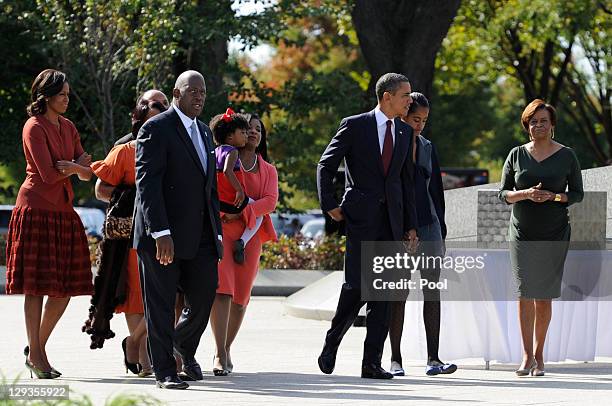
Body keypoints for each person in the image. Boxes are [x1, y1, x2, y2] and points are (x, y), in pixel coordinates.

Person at [316, 73, 418, 379]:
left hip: (392, 222)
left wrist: (410, 225)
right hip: (361, 219)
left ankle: (372, 362)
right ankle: (333, 339)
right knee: (357, 286)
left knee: (384, 292)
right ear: (387, 96)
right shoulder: (354, 125)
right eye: (405, 95)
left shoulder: (403, 131)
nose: (409, 100)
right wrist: (329, 204)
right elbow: (326, 164)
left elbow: (406, 181)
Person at [134, 70, 223, 389]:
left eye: (203, 92)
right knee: (159, 305)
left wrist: (217, 231)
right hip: (163, 236)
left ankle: (180, 346)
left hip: (200, 234)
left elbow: (208, 186)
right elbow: (148, 184)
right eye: (193, 91)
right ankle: (165, 372)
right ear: (176, 92)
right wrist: (160, 232)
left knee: (205, 292)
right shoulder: (155, 128)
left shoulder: (203, 131)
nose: (199, 96)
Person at [5, 69, 93, 379]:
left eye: (68, 93)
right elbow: (47, 174)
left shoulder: (68, 127)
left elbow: (88, 167)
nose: (67, 99)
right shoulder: (34, 127)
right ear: (46, 97)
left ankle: (35, 348)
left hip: (63, 211)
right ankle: (38, 354)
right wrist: (74, 168)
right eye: (62, 94)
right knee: (36, 288)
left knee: (64, 289)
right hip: (36, 210)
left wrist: (72, 167)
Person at [498, 99, 583, 377]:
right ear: (527, 126)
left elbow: (577, 193)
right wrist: (525, 194)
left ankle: (539, 355)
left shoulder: (567, 155)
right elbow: (503, 193)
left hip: (554, 233)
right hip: (522, 232)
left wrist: (554, 196)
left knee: (543, 296)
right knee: (525, 293)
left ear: (552, 124)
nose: (538, 125)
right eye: (533, 121)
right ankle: (525, 356)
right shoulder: (516, 154)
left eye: (543, 120)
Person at [84, 99, 167, 378]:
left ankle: (142, 345)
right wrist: (137, 198)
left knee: (170, 292)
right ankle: (142, 352)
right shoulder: (124, 152)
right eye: (150, 121)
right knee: (135, 296)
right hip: (132, 232)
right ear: (139, 123)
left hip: (167, 230)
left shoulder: (173, 150)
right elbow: (100, 190)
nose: (154, 126)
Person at [387, 92, 457, 376]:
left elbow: (435, 191)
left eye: (424, 120)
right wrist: (405, 227)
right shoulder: (393, 145)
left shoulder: (428, 146)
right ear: (403, 115)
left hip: (429, 226)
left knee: (432, 289)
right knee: (399, 291)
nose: (419, 125)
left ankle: (434, 358)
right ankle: (395, 359)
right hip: (402, 227)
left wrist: (440, 226)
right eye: (415, 119)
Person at [209, 113, 278, 375]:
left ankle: (227, 347)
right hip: (223, 228)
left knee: (240, 297)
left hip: (251, 233)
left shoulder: (268, 170)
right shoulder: (223, 157)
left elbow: (270, 202)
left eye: (258, 130)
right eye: (248, 128)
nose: (253, 133)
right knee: (222, 289)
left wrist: (244, 212)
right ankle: (219, 352)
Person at [210, 108, 264, 264]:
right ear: (230, 136)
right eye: (243, 133)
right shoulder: (232, 152)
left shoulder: (215, 151)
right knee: (258, 214)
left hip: (219, 202)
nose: (246, 136)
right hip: (231, 200)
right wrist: (239, 190)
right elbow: (227, 171)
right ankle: (242, 241)